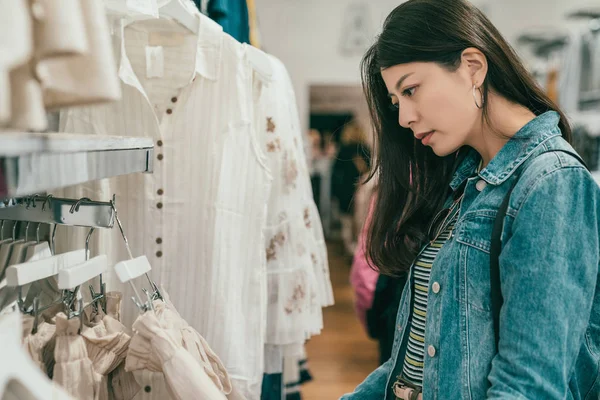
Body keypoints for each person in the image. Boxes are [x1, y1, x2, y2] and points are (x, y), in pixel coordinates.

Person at [341, 1, 600, 399]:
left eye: (410, 90)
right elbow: (416, 362)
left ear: (473, 68)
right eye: (396, 102)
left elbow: (528, 387)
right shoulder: (464, 183)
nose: (403, 117)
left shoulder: (550, 183)